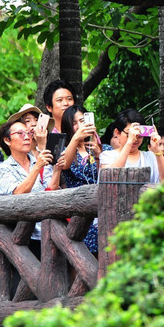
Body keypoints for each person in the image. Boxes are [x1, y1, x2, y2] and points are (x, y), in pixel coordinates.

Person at [0, 119, 64, 242]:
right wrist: (37, 167)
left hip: (49, 231)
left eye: (29, 133)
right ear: (7, 140)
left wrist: (57, 169)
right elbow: (18, 193)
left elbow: (51, 190)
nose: (27, 137)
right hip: (23, 237)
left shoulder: (39, 160)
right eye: (20, 133)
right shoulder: (3, 168)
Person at [58, 105, 101, 253]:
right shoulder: (65, 150)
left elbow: (106, 173)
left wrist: (98, 155)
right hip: (78, 215)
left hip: (101, 212)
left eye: (82, 121)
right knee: (81, 261)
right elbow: (65, 164)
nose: (79, 126)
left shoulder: (102, 147)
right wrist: (76, 137)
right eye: (74, 123)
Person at [99, 108, 164, 183]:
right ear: (117, 133)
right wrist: (129, 142)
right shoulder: (107, 156)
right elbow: (110, 179)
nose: (135, 139)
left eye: (139, 135)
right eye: (130, 134)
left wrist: (157, 149)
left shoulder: (151, 156)